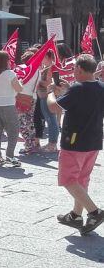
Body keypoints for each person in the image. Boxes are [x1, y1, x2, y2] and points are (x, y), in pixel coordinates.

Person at [48, 54, 104, 235]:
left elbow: (54, 107)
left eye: (74, 70)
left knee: (68, 179)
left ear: (79, 69)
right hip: (94, 140)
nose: (72, 72)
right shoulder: (101, 87)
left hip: (74, 141)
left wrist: (51, 93)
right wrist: (68, 90)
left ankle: (94, 212)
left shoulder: (77, 89)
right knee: (82, 179)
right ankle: (75, 215)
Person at [36, 50, 60, 153]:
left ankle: (52, 144)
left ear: (48, 57)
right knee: (50, 119)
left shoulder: (51, 67)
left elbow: (49, 83)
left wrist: (38, 80)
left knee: (51, 120)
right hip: (44, 95)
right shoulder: (47, 67)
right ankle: (52, 143)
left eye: (43, 56)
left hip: (47, 96)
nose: (42, 59)